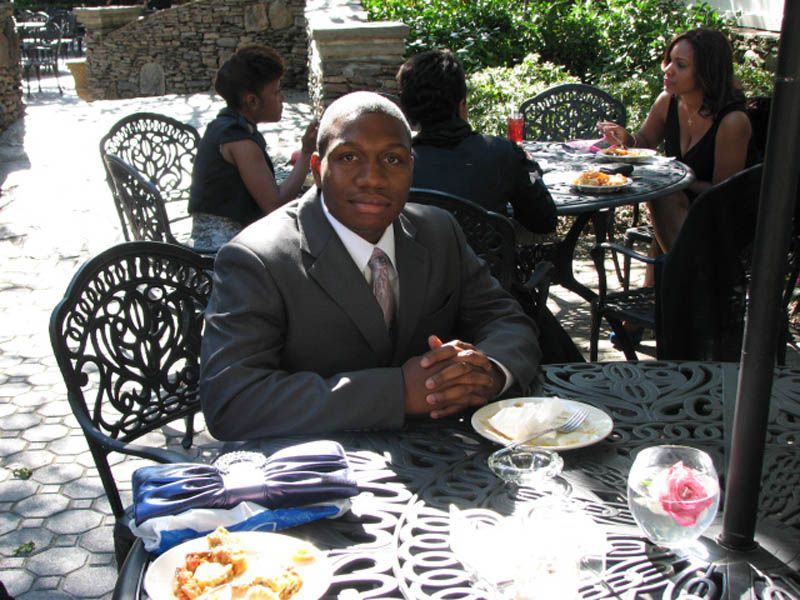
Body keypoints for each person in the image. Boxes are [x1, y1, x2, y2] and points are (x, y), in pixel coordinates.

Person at [200, 91, 542, 440]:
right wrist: (397, 393)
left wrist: (488, 373)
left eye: (392, 160)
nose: (373, 178)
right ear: (318, 169)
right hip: (316, 469)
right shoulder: (258, 258)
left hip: (442, 459)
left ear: (412, 167)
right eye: (349, 157)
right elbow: (231, 401)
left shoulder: (439, 232)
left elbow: (506, 321)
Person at [598, 28, 757, 256]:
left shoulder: (732, 121)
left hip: (725, 222)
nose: (668, 70)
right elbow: (644, 142)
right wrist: (626, 139)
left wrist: (676, 180)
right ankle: (669, 281)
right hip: (676, 210)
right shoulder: (668, 102)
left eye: (681, 65)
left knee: (664, 194)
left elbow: (723, 194)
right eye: (669, 61)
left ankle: (686, 283)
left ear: (706, 72)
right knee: (664, 197)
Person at [396, 49, 557, 235]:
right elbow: (544, 221)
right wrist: (530, 168)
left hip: (419, 263)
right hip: (487, 263)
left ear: (406, 108)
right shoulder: (502, 154)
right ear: (462, 103)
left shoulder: (395, 164)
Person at [188, 44, 318, 250]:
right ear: (252, 101)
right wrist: (306, 152)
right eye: (276, 92)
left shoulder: (226, 125)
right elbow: (275, 206)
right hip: (221, 253)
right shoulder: (240, 141)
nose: (282, 98)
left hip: (224, 238)